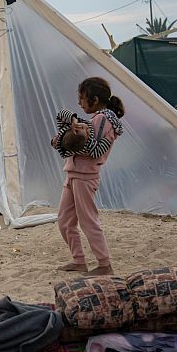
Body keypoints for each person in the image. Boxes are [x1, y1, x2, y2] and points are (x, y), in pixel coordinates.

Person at [51, 77, 125, 276]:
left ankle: (104, 264)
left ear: (93, 99)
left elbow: (94, 150)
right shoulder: (95, 120)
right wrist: (72, 129)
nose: (79, 103)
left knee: (88, 221)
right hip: (74, 173)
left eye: (82, 98)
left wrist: (68, 141)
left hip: (85, 176)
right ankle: (79, 261)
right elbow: (63, 115)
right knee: (65, 220)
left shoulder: (103, 120)